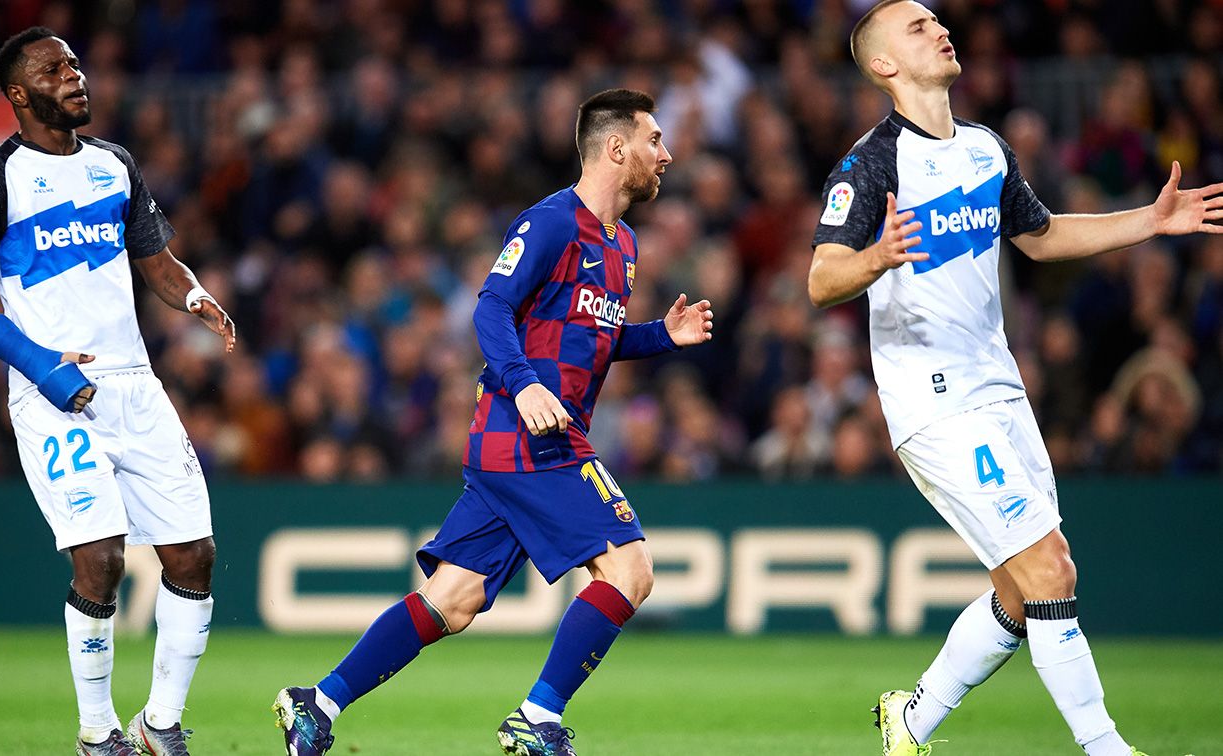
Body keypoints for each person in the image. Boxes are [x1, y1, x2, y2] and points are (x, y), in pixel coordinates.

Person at [808, 3, 1223, 755]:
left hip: (998, 390)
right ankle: (1107, 748)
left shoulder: (985, 150)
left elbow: (1040, 236)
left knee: (1020, 592)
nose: (938, 28)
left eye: (937, 20)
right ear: (884, 67)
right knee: (1051, 567)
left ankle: (911, 721)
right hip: (932, 404)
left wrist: (1149, 222)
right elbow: (820, 277)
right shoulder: (871, 164)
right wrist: (874, 258)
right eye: (916, 27)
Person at [273, 88, 713, 756]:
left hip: (523, 440)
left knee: (455, 597)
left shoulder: (623, 243)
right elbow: (490, 308)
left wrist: (658, 336)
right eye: (655, 140)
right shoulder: (551, 222)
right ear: (616, 147)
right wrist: (526, 384)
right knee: (631, 569)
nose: (667, 153)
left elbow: (594, 338)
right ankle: (538, 718)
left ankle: (318, 702)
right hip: (531, 435)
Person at [0, 27, 236, 756]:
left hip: (134, 385)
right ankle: (97, 731)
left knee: (194, 555)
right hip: (51, 392)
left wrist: (195, 295)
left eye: (75, 64)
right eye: (55, 69)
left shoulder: (114, 165)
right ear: (19, 94)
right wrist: (42, 366)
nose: (75, 76)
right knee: (100, 559)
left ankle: (160, 724)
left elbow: (156, 260)